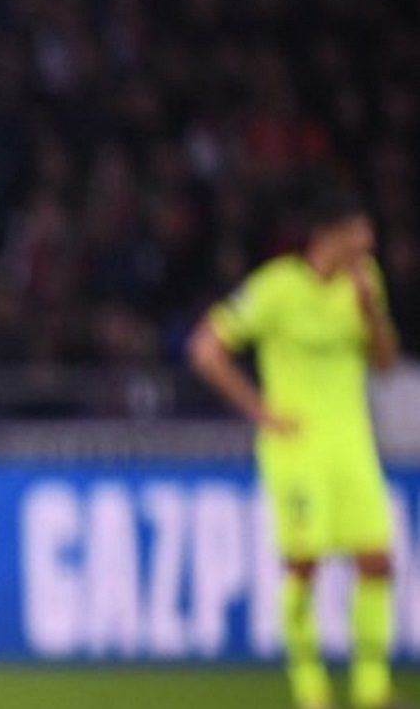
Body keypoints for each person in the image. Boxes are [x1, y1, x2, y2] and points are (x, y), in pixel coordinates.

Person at [189, 191, 402, 709]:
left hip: (352, 442)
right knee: (305, 565)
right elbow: (205, 349)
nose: (368, 243)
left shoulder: (365, 282)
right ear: (329, 235)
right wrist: (260, 410)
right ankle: (310, 688)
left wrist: (371, 311)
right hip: (297, 447)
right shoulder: (276, 288)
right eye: (359, 232)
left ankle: (371, 688)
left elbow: (386, 364)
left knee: (376, 560)